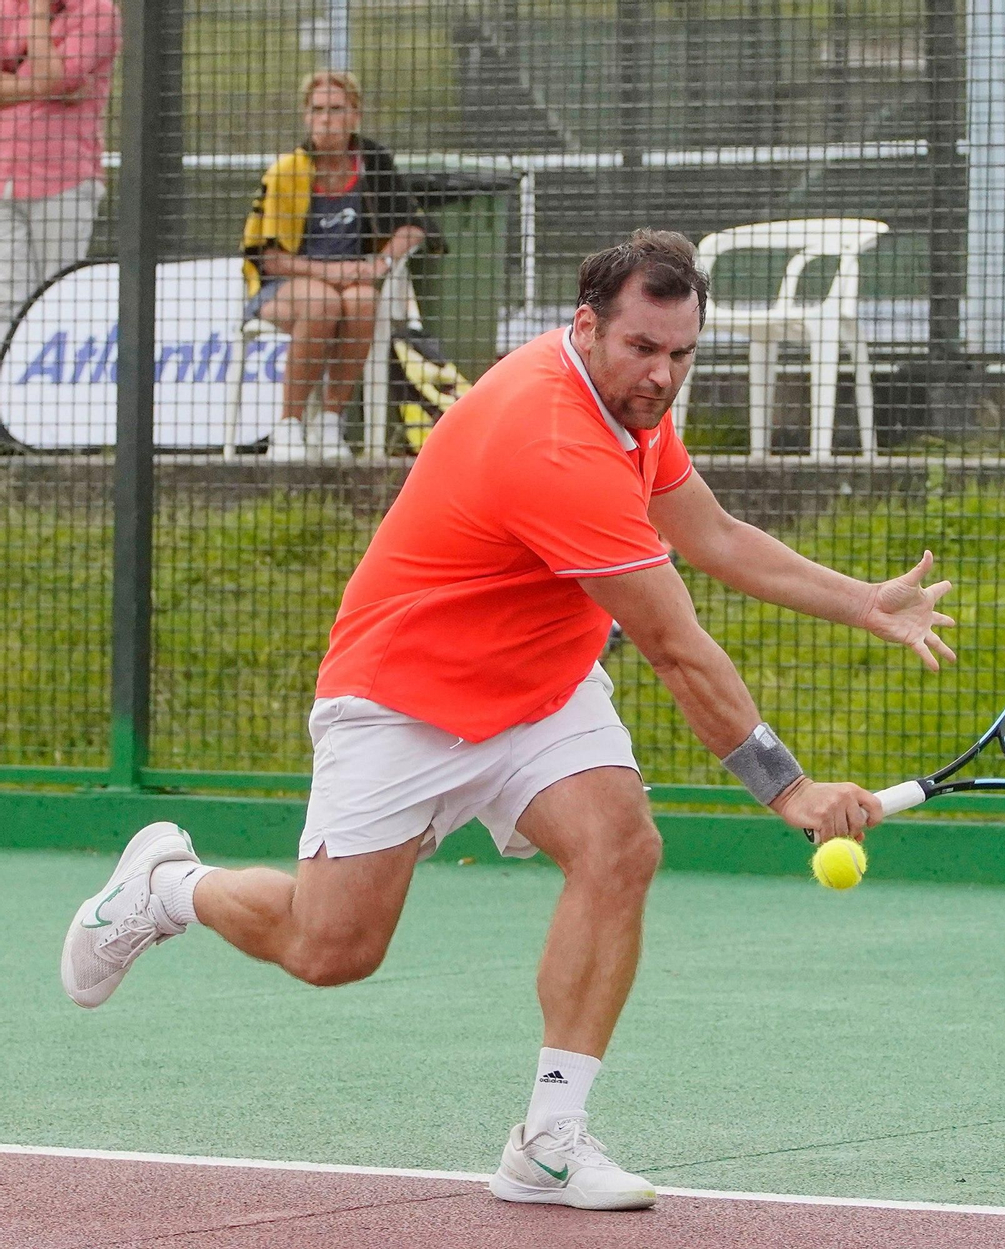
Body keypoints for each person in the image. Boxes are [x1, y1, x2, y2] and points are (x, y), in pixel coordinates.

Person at [60, 230, 955, 1212]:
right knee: (331, 950)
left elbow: (712, 533)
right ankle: (168, 884)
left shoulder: (629, 405)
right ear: (585, 326)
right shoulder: (552, 439)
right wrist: (787, 787)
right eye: (643, 349)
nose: (662, 375)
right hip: (405, 697)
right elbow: (673, 646)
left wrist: (860, 601)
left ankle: (550, 1140)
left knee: (620, 847)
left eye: (680, 354)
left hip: (539, 686)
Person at [240, 69, 429, 463]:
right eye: (318, 109)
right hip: (285, 286)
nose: (327, 118)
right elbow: (269, 257)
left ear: (354, 116)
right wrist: (334, 272)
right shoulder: (286, 171)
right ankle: (288, 426)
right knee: (323, 302)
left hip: (353, 283)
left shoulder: (373, 163)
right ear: (306, 116)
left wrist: (382, 262)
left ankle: (330, 420)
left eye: (337, 109)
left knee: (362, 302)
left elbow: (413, 227)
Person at [0, 0, 121, 330]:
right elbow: (50, 82)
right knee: (4, 299)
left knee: (57, 296)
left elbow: (55, 79)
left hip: (63, 179)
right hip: (4, 177)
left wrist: (38, 15)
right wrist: (40, 86)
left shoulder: (96, 10)